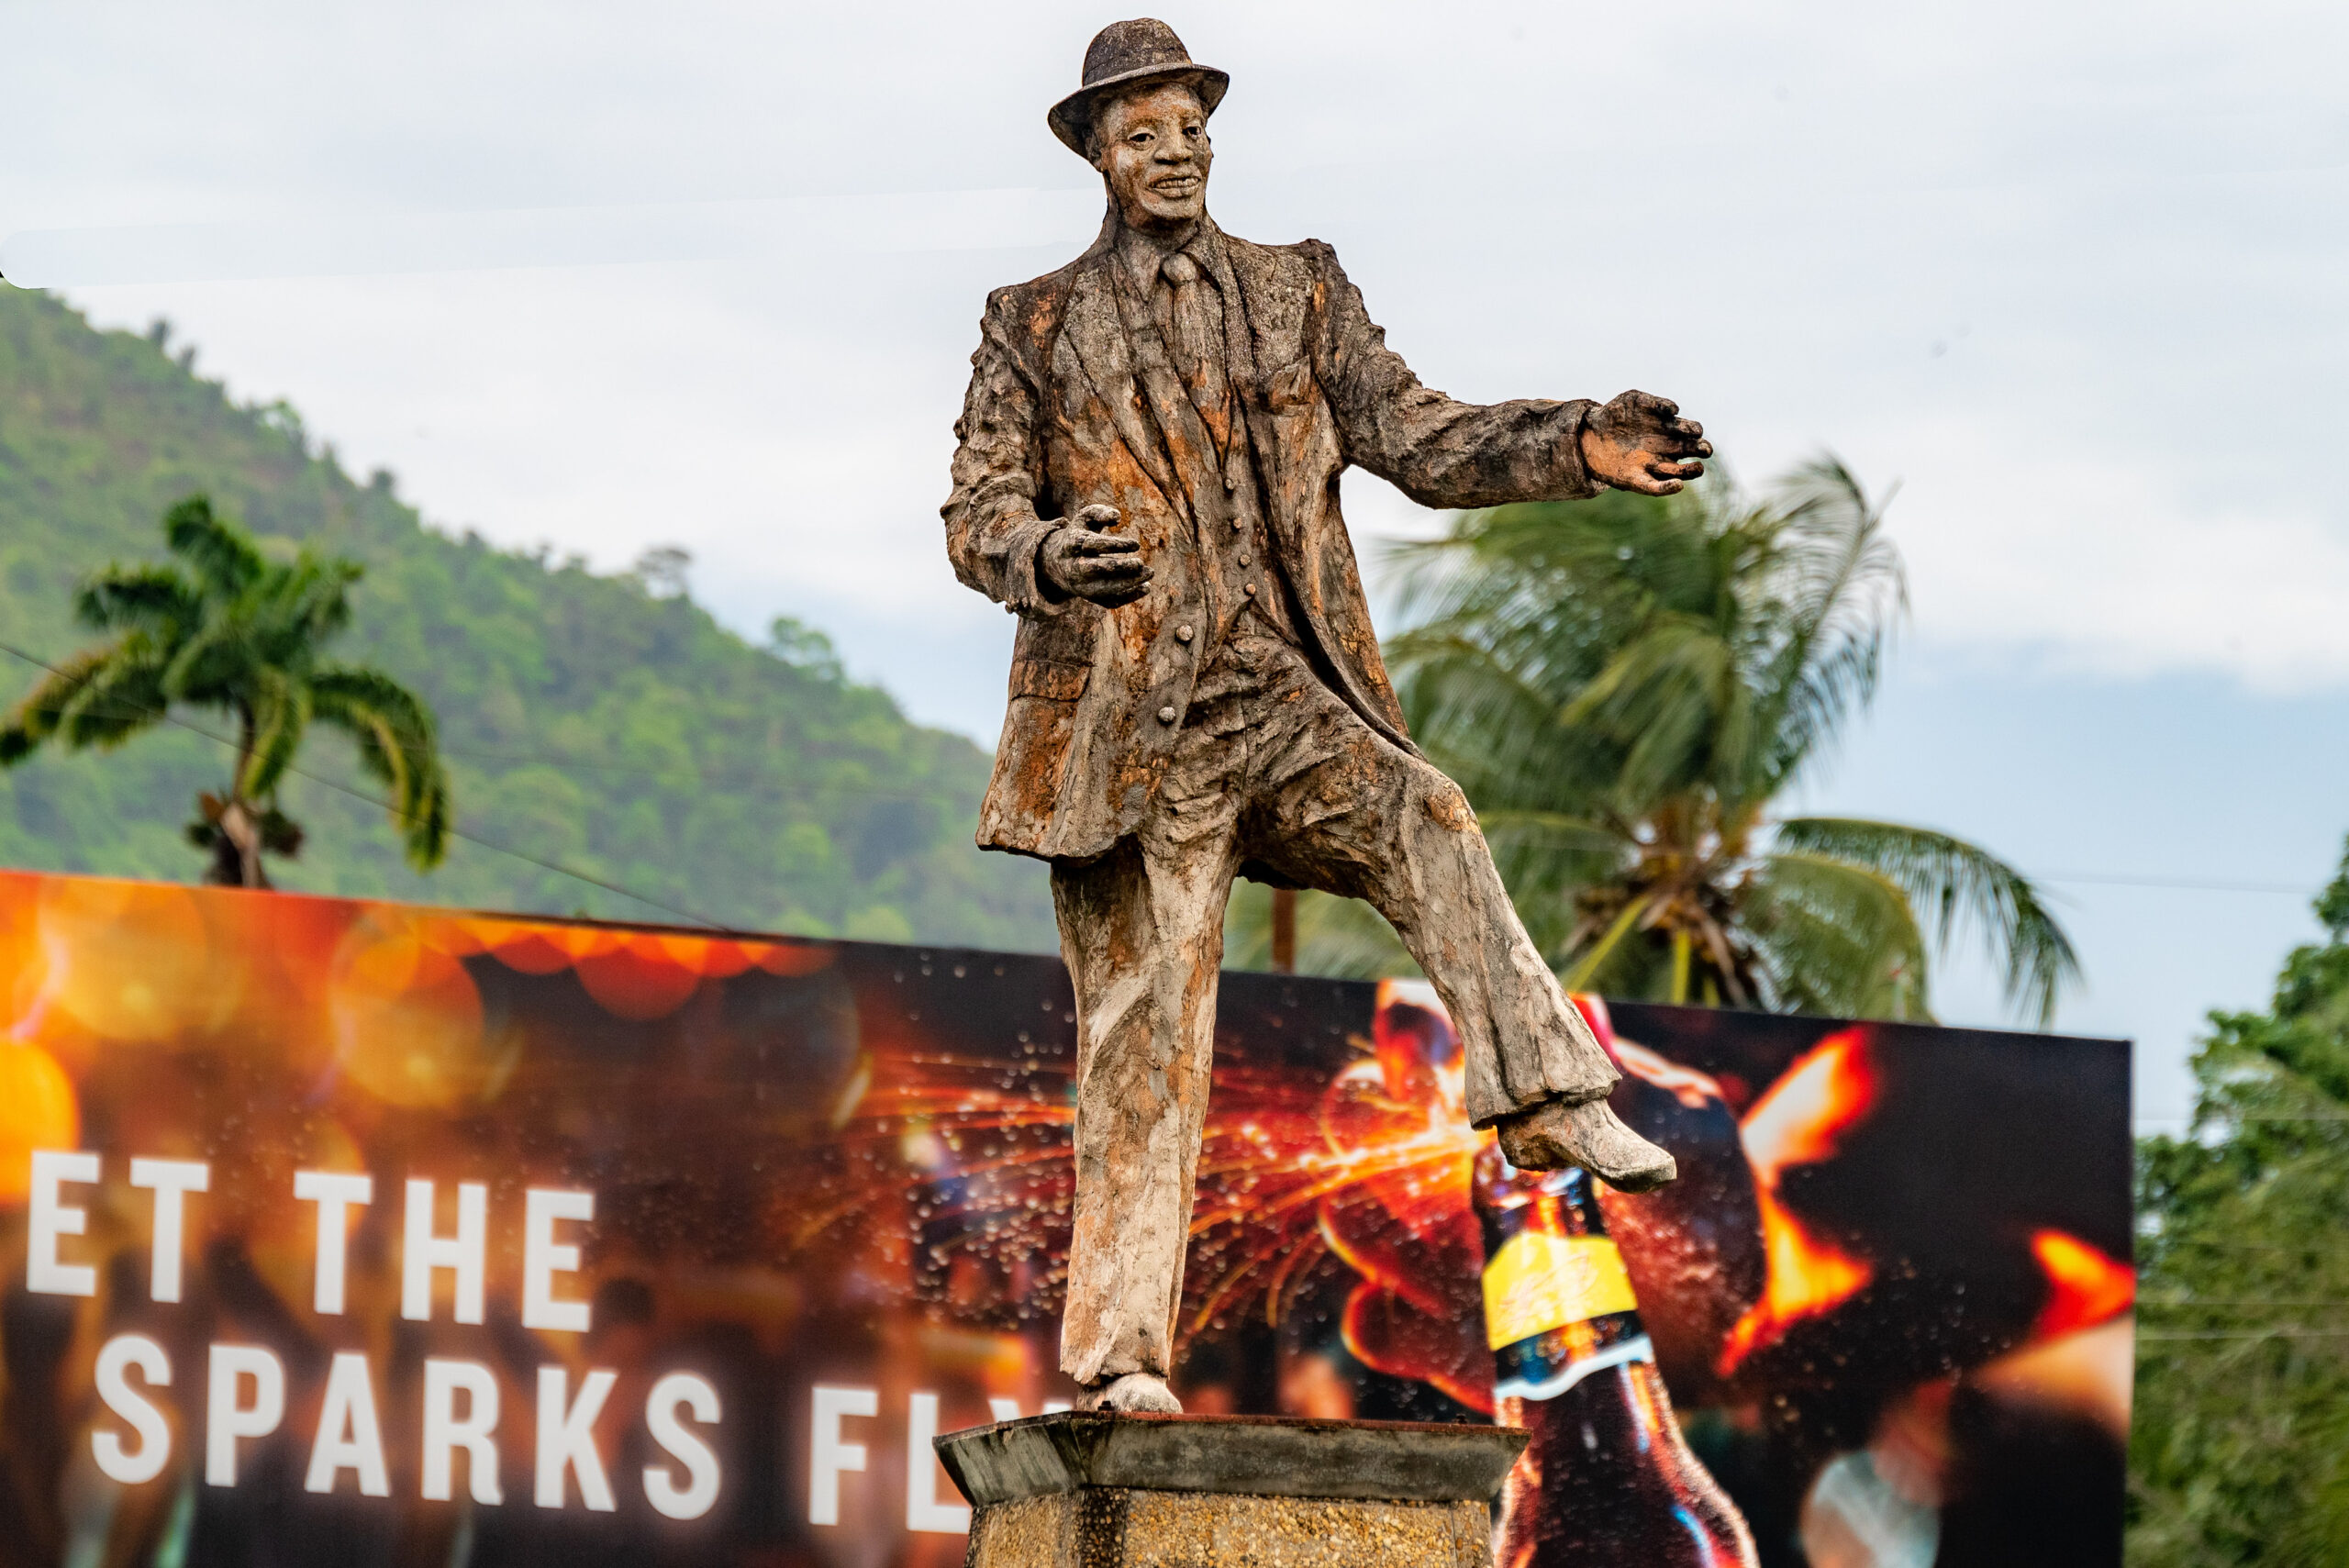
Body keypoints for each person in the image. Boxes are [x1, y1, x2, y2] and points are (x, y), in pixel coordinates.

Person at [941, 18, 1710, 1414]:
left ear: (1210, 138)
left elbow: (1421, 436)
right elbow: (977, 514)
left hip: (1282, 692)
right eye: (1141, 133)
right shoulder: (1034, 322)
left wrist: (1581, 438)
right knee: (1143, 1036)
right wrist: (1047, 555)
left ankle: (1543, 1096)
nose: (1172, 152)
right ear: (1098, 157)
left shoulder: (1300, 290)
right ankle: (1120, 1358)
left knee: (1428, 811)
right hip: (1128, 735)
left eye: (1187, 126)